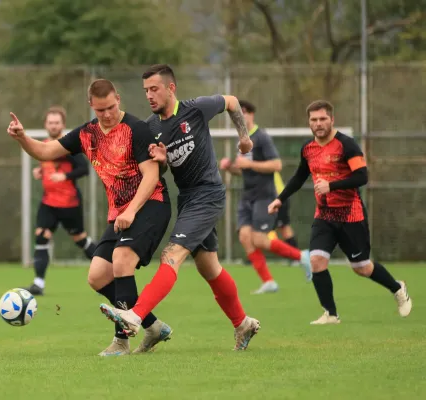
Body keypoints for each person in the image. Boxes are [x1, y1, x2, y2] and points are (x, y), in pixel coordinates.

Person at [99, 64, 260, 351]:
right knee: (209, 267)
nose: (149, 95)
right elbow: (154, 174)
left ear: (171, 88)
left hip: (208, 194)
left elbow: (232, 102)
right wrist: (161, 161)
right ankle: (242, 323)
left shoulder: (196, 109)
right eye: (146, 90)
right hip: (187, 198)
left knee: (172, 255)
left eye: (155, 89)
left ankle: (135, 317)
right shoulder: (151, 128)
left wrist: (244, 138)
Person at [7, 79, 173, 356]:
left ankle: (121, 341)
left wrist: (131, 211)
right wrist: (23, 137)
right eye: (100, 110)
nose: (106, 114)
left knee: (121, 260)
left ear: (118, 99)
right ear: (90, 106)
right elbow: (45, 151)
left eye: (110, 107)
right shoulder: (87, 134)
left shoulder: (136, 129)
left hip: (150, 204)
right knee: (97, 276)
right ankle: (153, 326)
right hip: (120, 214)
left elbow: (152, 176)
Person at [267, 100, 412, 324]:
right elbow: (299, 176)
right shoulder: (308, 148)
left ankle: (398, 289)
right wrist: (280, 199)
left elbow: (362, 176)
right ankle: (331, 314)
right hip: (324, 216)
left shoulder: (347, 145)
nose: (318, 123)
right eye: (314, 120)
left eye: (323, 118)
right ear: (309, 123)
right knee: (316, 261)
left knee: (362, 268)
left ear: (332, 119)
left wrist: (331, 186)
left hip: (350, 215)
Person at [218, 100, 312, 294]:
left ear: (252, 115)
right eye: (237, 114)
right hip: (247, 196)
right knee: (245, 237)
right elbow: (242, 170)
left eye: (244, 113)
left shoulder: (261, 137)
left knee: (260, 239)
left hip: (264, 196)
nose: (240, 117)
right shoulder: (241, 140)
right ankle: (268, 281)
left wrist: (250, 165)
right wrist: (230, 167)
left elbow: (277, 165)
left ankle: (302, 256)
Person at [27, 106, 96, 295]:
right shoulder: (44, 145)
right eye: (50, 122)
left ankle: (108, 270)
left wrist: (65, 177)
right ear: (46, 125)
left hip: (69, 204)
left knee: (80, 240)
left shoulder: (69, 145)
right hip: (49, 203)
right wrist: (40, 172)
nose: (53, 125)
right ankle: (38, 284)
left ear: (62, 125)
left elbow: (84, 169)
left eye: (57, 122)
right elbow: (49, 167)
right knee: (41, 236)